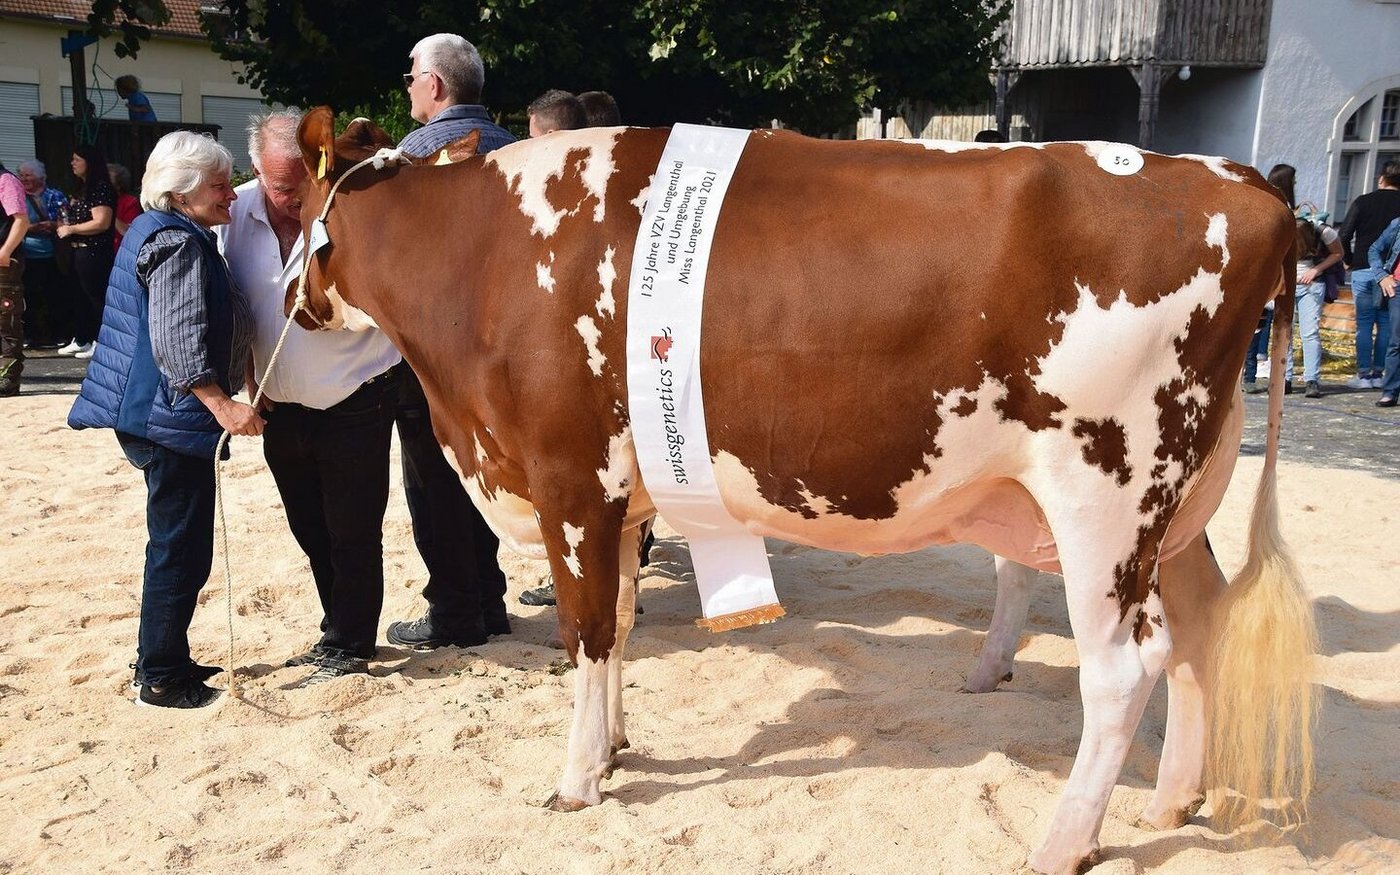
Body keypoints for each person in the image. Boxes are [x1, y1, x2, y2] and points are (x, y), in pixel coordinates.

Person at [67, 131, 260, 708]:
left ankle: (162, 655)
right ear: (180, 193)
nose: (231, 194)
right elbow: (178, 343)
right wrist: (223, 405)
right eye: (219, 185)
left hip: (156, 416)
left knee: (176, 544)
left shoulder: (165, 229)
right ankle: (160, 677)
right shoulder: (178, 244)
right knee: (180, 549)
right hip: (168, 420)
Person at [217, 110, 402, 684]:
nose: (296, 199)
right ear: (256, 170)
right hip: (279, 402)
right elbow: (239, 306)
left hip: (356, 392)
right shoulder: (232, 215)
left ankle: (352, 643)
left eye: (303, 184)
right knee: (309, 526)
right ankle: (336, 627)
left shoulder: (346, 204)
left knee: (354, 528)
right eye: (282, 188)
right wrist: (249, 379)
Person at [390, 33, 515, 648]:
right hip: (501, 349)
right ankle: (489, 601)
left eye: (411, 76)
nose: (408, 87)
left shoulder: (411, 157)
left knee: (433, 484)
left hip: (434, 352)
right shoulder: (515, 149)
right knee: (482, 476)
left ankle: (456, 612)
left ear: (434, 84)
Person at [1337, 160, 1400, 389]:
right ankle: (1380, 372)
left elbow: (1344, 234)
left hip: (1363, 266)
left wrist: (1349, 260)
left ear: (1381, 179)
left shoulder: (1363, 201)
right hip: (1390, 272)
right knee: (1385, 323)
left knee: (1364, 323)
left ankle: (1364, 374)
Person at [56, 146, 116, 359]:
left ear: (89, 162)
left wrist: (71, 229)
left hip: (94, 251)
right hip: (77, 251)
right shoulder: (80, 188)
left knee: (96, 297)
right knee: (79, 297)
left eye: (77, 159)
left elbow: (102, 222)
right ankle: (82, 338)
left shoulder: (100, 188)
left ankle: (103, 341)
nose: (73, 163)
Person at [1287, 206, 1343, 399]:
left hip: (1312, 285)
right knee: (1284, 331)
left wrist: (1316, 270)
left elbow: (1338, 253)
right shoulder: (1284, 230)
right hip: (1287, 285)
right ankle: (1285, 378)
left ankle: (1311, 379)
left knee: (1309, 332)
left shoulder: (1323, 232)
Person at [16, 160, 70, 350]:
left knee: (56, 296)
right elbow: (12, 225)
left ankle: (59, 334)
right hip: (28, 255)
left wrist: (53, 225)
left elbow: (67, 219)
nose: (24, 178)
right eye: (21, 175)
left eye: (28, 175)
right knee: (29, 297)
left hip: (53, 255)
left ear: (40, 177)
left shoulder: (55, 195)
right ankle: (31, 335)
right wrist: (31, 228)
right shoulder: (17, 197)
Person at [0, 162, 29, 397]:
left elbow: (21, 220)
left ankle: (7, 377)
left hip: (4, 264)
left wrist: (4, 252)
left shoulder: (6, 181)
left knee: (5, 320)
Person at [1370, 216, 1400, 407]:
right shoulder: (1398, 224)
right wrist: (1382, 276)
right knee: (1396, 342)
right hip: (1397, 288)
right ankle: (1390, 391)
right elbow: (1374, 249)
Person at [109, 163, 143, 252]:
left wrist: (108, 212)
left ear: (119, 185)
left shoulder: (129, 202)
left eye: (109, 180)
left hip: (119, 250)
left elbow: (127, 231)